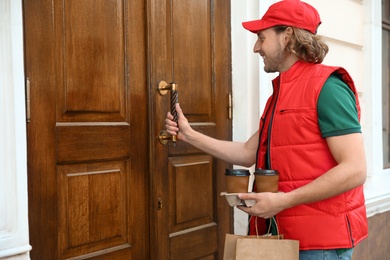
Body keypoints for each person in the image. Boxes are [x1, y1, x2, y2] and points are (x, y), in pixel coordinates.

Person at [165, 0, 368, 259]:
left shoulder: (328, 87)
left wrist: (282, 201)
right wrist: (188, 135)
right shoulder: (281, 94)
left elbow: (355, 170)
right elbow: (248, 152)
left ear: (288, 36)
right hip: (285, 236)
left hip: (320, 246)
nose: (255, 47)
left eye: (262, 37)